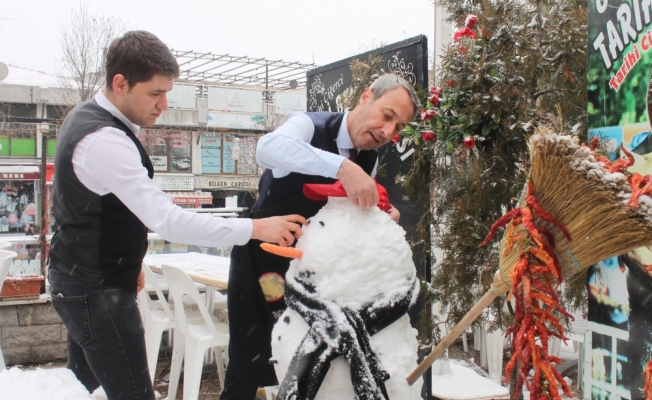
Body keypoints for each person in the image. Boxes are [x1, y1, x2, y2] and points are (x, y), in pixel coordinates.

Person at [48, 30, 306, 400]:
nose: (164, 103)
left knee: (87, 389)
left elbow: (89, 205)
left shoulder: (86, 119)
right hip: (94, 289)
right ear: (120, 83)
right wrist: (255, 227)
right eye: (155, 92)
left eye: (167, 92)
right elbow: (167, 220)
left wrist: (129, 259)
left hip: (83, 279)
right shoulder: (105, 140)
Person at [222, 73, 419, 400]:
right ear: (366, 96)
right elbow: (267, 148)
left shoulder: (369, 156)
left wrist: (379, 215)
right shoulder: (309, 126)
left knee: (309, 371)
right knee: (248, 365)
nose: (388, 132)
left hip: (315, 278)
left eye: (398, 128)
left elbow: (349, 213)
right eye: (387, 116)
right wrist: (342, 167)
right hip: (264, 266)